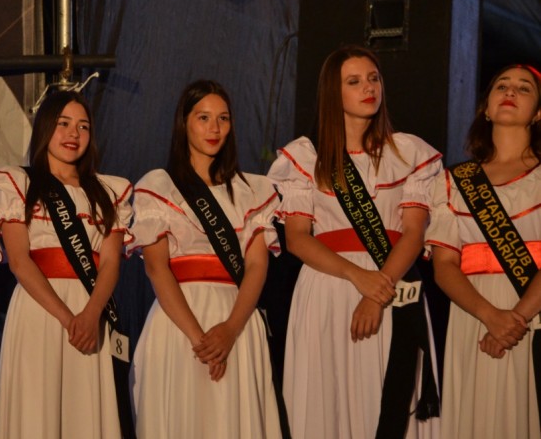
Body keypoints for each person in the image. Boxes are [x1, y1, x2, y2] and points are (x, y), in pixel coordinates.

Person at [268, 45, 441, 439]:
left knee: (390, 397)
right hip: (329, 287)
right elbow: (296, 239)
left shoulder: (409, 152)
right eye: (354, 81)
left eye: (374, 78)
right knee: (330, 401)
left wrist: (375, 291)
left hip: (393, 286)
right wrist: (358, 277)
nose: (368, 87)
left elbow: (414, 233)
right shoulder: (305, 156)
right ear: (334, 92)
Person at [129, 80, 286, 438]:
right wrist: (201, 339)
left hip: (238, 320)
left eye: (223, 119)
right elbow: (156, 267)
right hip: (179, 323)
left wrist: (230, 331)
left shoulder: (253, 191)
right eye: (203, 118)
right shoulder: (158, 186)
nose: (214, 128)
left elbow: (258, 266)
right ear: (184, 123)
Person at [0, 90, 133, 439]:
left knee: (85, 411)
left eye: (83, 127)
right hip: (41, 309)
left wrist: (90, 314)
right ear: (44, 128)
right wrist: (69, 318)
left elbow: (111, 262)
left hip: (90, 312)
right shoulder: (17, 182)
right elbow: (20, 262)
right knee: (38, 408)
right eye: (64, 124)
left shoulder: (110, 191)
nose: (74, 134)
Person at [427, 64, 541, 438]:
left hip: (532, 317)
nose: (511, 91)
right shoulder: (454, 183)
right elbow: (444, 266)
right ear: (486, 109)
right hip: (473, 317)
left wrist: (515, 320)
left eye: (524, 88)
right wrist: (490, 316)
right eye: (502, 86)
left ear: (538, 112)